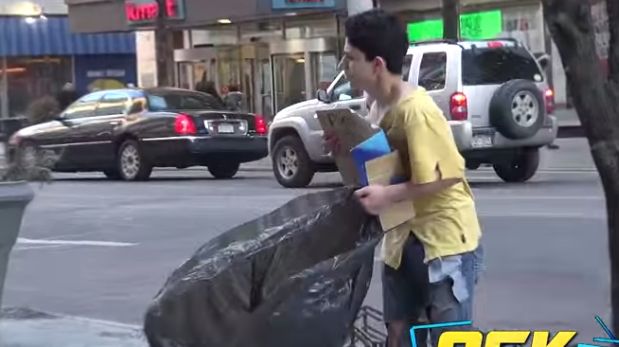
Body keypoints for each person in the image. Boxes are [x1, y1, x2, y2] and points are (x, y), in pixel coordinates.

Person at [325, 9, 483, 347]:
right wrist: (344, 148)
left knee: (448, 339)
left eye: (350, 59)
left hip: (444, 245)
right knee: (398, 333)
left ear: (377, 65)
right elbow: (380, 168)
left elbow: (448, 176)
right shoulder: (375, 105)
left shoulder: (417, 111)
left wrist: (386, 196)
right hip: (401, 241)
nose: (345, 67)